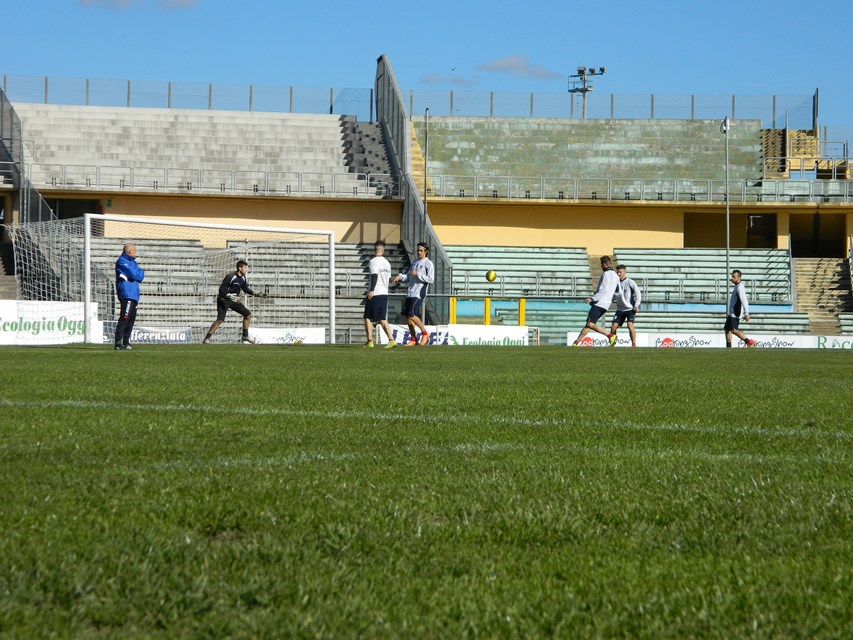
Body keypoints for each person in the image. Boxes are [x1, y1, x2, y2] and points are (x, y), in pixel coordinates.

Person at [203, 260, 265, 344]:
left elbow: (245, 289)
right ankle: (207, 339)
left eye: (247, 267)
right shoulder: (230, 276)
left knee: (248, 315)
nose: (247, 269)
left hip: (234, 300)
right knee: (220, 319)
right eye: (245, 267)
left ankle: (245, 337)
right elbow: (221, 290)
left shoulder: (243, 277)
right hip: (223, 300)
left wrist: (255, 293)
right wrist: (228, 295)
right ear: (240, 268)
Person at [391, 241, 434, 346]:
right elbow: (408, 276)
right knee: (408, 316)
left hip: (419, 292)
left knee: (411, 313)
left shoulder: (428, 263)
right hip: (411, 292)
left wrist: (418, 274)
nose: (419, 252)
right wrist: (400, 276)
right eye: (418, 250)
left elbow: (431, 279)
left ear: (426, 252)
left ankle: (425, 333)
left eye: (421, 250)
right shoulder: (415, 262)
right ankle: (413, 339)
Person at [572, 255, 620, 347]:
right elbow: (618, 292)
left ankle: (610, 336)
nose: (601, 266)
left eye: (601, 264)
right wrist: (610, 299)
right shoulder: (615, 276)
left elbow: (604, 290)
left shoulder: (606, 274)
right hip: (606, 304)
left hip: (600, 303)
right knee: (588, 324)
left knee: (590, 323)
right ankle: (576, 343)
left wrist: (592, 298)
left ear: (605, 264)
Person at [363, 240, 397, 349]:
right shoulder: (387, 263)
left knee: (367, 317)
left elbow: (374, 275)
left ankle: (370, 341)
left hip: (376, 292)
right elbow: (388, 278)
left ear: (375, 250)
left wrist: (371, 290)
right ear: (383, 250)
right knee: (382, 318)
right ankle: (391, 340)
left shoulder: (373, 261)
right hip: (384, 293)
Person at [114, 243, 144, 350]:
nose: (136, 253)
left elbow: (141, 275)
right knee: (125, 317)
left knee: (131, 320)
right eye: (135, 251)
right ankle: (118, 342)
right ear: (130, 251)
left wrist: (135, 274)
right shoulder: (121, 261)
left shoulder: (134, 263)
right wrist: (135, 274)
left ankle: (126, 342)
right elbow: (134, 274)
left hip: (134, 295)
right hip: (126, 293)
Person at [610, 264, 641, 347]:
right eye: (617, 272)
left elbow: (638, 293)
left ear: (624, 272)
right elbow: (613, 295)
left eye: (620, 272)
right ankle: (612, 343)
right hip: (620, 309)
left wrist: (636, 305)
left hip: (630, 308)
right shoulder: (616, 283)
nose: (618, 274)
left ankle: (633, 343)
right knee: (613, 326)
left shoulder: (630, 282)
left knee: (630, 325)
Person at [725, 269, 757, 348]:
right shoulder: (737, 286)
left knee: (733, 330)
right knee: (727, 330)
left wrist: (746, 313)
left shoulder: (740, 288)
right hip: (731, 313)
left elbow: (744, 300)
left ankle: (749, 342)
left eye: (734, 277)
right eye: (732, 276)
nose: (732, 278)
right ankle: (728, 347)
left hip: (735, 313)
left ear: (739, 278)